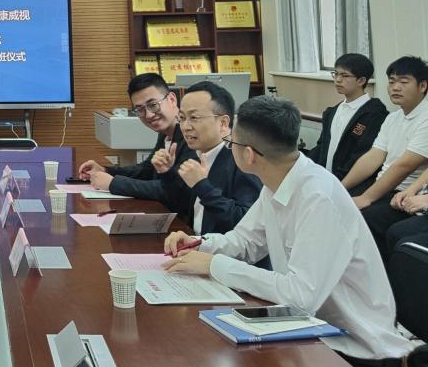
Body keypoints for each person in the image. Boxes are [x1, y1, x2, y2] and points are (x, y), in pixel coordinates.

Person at [163, 96, 414, 366]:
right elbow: (246, 241)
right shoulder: (277, 181)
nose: (229, 148)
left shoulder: (318, 196)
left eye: (231, 143)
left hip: (354, 348)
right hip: (309, 330)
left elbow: (300, 296)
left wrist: (214, 265)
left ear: (248, 154)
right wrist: (199, 244)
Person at [341, 56, 428, 258]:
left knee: (363, 218)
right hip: (383, 185)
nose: (395, 87)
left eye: (404, 82)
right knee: (336, 204)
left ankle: (376, 274)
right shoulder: (393, 118)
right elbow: (373, 157)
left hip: (405, 193)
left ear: (423, 86)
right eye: (391, 81)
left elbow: (405, 165)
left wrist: (366, 198)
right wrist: (341, 187)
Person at [152, 81, 261, 233]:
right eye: (182, 118)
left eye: (194, 117)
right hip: (194, 241)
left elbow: (246, 223)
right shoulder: (198, 154)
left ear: (223, 123)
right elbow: (181, 207)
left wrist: (202, 186)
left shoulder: (242, 160)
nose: (185, 127)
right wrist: (167, 173)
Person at [78, 73, 193, 213]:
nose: (149, 115)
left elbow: (172, 190)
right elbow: (146, 170)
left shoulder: (190, 136)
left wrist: (113, 183)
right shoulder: (166, 133)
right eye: (140, 109)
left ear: (172, 100)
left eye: (153, 105)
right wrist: (106, 170)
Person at [305, 53, 388, 195]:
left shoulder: (375, 113)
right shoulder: (332, 112)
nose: (338, 80)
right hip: (326, 181)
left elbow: (363, 154)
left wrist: (338, 183)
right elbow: (321, 147)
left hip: (352, 186)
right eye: (335, 74)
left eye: (345, 75)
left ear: (361, 80)